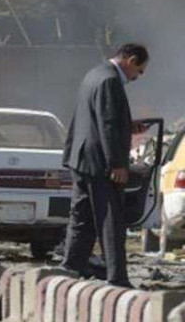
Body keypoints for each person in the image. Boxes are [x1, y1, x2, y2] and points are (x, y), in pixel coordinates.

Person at [60, 42, 150, 288]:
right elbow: (107, 124)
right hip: (100, 163)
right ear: (130, 60)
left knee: (82, 218)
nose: (137, 77)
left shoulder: (95, 74)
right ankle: (117, 278)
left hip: (81, 159)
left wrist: (128, 126)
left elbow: (97, 117)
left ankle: (70, 269)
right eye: (139, 71)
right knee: (111, 221)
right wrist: (117, 164)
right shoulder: (110, 80)